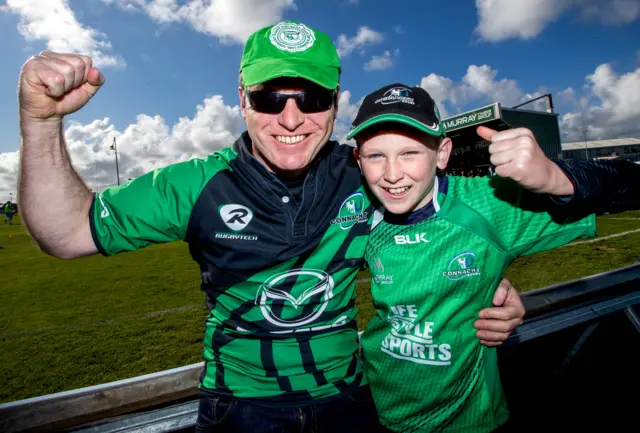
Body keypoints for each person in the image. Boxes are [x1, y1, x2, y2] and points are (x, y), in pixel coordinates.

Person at [16, 21, 638, 433]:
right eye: (270, 97)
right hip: (242, 410)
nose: (291, 117)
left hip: (351, 404)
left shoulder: (368, 172)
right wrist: (40, 120)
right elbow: (65, 232)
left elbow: (469, 223)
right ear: (242, 99)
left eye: (311, 98)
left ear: (336, 102)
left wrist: (492, 282)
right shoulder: (193, 184)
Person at [347, 83, 640, 432]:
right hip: (375, 415)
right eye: (376, 155)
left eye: (409, 153)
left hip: (469, 422)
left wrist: (557, 177)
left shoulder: (490, 205)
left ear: (442, 154)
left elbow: (629, 186)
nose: (392, 174)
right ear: (358, 160)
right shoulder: (357, 215)